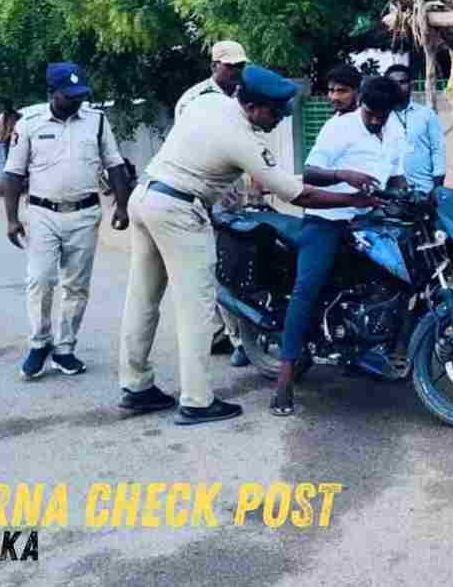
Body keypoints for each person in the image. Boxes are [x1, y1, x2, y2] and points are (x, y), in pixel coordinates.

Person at [117, 65, 375, 425]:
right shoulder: (240, 137)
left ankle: (135, 385)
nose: (279, 121)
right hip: (180, 210)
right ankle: (196, 401)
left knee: (142, 297)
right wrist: (356, 200)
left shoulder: (207, 102)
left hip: (146, 197)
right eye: (276, 114)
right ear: (255, 107)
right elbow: (298, 194)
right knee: (197, 307)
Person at [270, 75, 407, 417]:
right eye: (370, 112)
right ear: (361, 103)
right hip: (328, 219)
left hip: (371, 221)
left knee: (396, 278)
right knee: (307, 289)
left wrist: (413, 196)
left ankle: (369, 351)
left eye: (382, 114)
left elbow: (397, 176)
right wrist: (345, 175)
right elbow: (311, 173)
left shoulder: (395, 130)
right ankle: (284, 381)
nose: (375, 119)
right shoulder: (339, 129)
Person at [2, 63, 132, 380]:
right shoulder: (29, 123)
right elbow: (14, 173)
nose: (76, 101)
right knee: (41, 280)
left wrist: (122, 205)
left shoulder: (97, 121)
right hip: (42, 213)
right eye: (69, 95)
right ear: (52, 93)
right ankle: (39, 343)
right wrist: (11, 218)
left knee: (76, 286)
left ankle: (65, 349)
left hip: (85, 214)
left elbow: (114, 164)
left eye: (79, 95)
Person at [174, 40, 252, 367]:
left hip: (235, 193)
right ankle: (235, 339)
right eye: (229, 66)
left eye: (239, 66)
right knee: (215, 264)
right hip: (204, 192)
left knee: (237, 262)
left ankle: (232, 334)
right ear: (214, 65)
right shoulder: (193, 100)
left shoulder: (245, 96)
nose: (235, 72)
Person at [385, 63, 447, 193]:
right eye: (392, 83)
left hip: (425, 189)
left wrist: (437, 189)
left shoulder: (426, 114)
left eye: (402, 82)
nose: (397, 86)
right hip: (391, 192)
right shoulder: (380, 116)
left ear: (411, 85)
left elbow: (438, 150)